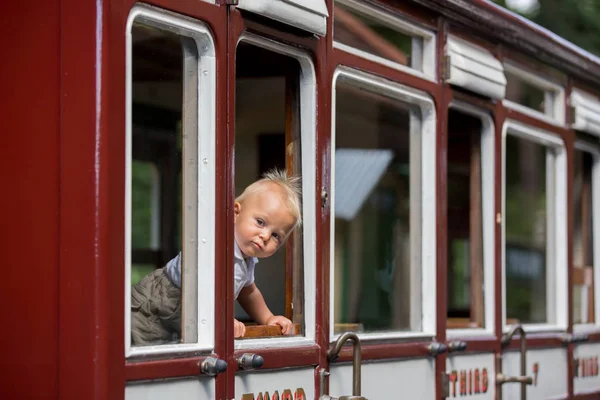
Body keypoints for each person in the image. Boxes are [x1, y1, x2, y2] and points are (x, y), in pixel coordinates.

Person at [131, 169, 302, 345]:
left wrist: (268, 318)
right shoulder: (217, 242)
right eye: (260, 222)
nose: (265, 236)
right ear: (236, 213)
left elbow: (249, 292)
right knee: (141, 347)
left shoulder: (247, 260)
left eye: (276, 235)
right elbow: (202, 284)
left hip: (186, 312)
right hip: (161, 299)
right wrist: (221, 317)